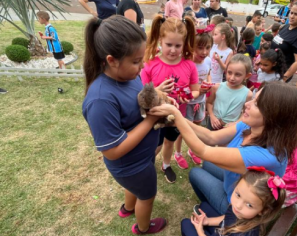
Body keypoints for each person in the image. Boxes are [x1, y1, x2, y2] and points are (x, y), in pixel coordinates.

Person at [148, 82, 297, 214]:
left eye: (256, 104)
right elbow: (211, 137)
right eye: (253, 99)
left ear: (273, 116)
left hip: (239, 206)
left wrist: (176, 114)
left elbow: (203, 150)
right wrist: (177, 119)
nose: (247, 104)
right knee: (208, 164)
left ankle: (215, 210)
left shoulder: (266, 156)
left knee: (196, 172)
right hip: (236, 184)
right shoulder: (251, 125)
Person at [82, 15, 167, 234]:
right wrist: (150, 120)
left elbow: (138, 96)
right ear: (112, 60)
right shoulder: (101, 99)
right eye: (137, 61)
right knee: (147, 196)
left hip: (141, 158)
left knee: (136, 191)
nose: (142, 66)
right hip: (131, 167)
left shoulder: (128, 75)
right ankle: (143, 227)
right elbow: (112, 151)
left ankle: (128, 207)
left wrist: (157, 94)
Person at [141, 16, 200, 178]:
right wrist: (157, 90)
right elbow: (141, 94)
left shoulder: (189, 65)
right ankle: (147, 165)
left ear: (184, 43)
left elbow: (196, 90)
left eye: (177, 46)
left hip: (176, 116)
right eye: (169, 45)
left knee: (169, 142)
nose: (173, 50)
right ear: (160, 40)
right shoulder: (150, 64)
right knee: (156, 144)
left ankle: (166, 165)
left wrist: (188, 96)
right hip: (156, 117)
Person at [181, 167, 286, 236]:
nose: (238, 205)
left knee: (186, 224)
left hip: (225, 232)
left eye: (249, 205)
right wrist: (208, 221)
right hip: (224, 230)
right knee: (204, 205)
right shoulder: (240, 210)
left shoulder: (245, 233)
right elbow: (228, 217)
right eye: (238, 195)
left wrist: (200, 230)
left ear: (263, 211)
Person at [182, 28, 214, 166]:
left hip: (200, 101)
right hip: (187, 102)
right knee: (182, 130)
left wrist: (209, 82)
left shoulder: (207, 61)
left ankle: (192, 150)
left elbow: (208, 73)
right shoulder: (188, 63)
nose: (204, 52)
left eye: (207, 48)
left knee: (197, 127)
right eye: (200, 48)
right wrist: (198, 91)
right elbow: (183, 84)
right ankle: (177, 153)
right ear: (192, 46)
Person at [207, 54, 253, 131]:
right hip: (213, 123)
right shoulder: (216, 87)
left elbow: (246, 113)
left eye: (237, 74)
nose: (232, 78)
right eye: (229, 73)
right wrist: (212, 116)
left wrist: (236, 123)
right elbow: (209, 103)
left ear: (247, 76)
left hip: (230, 128)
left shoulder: (248, 94)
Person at [271, 0, 297, 82]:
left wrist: (283, 79)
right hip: (270, 69)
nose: (292, 16)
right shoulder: (285, 27)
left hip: (279, 74)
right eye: (291, 13)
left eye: (296, 14)